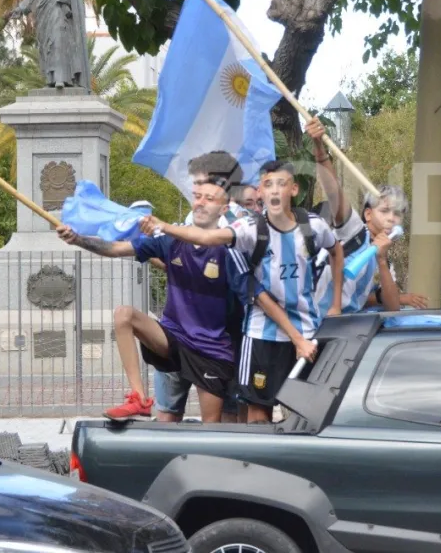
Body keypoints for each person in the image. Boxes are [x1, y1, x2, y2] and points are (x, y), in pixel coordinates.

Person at [137, 160, 344, 423]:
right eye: (268, 184)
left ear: (293, 189)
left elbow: (337, 250)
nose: (274, 191)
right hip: (261, 334)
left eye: (281, 184)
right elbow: (207, 238)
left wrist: (335, 304)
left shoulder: (313, 226)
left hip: (307, 330)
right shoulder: (248, 229)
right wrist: (163, 227)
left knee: (312, 416)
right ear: (260, 191)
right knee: (258, 417)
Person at [56, 170, 248, 423]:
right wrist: (78, 240)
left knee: (212, 430)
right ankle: (138, 398)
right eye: (197, 196)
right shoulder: (170, 241)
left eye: (209, 199)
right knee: (124, 314)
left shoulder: (231, 249)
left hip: (210, 349)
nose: (200, 202)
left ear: (224, 209)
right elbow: (115, 248)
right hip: (173, 335)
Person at [155, 151, 251, 423]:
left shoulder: (239, 225)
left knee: (224, 419)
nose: (195, 190)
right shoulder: (190, 217)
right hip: (177, 328)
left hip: (221, 339)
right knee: (168, 412)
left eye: (199, 181)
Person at [303, 118, 427, 314]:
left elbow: (392, 307)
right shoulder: (354, 230)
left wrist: (382, 261)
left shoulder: (384, 256)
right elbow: (334, 192)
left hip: (344, 331)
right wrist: (319, 148)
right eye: (385, 211)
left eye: (397, 214)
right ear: (368, 214)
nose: (391, 218)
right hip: (314, 321)